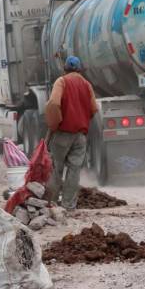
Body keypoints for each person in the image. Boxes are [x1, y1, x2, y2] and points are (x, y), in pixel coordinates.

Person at [44, 56, 98, 210]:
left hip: (62, 133)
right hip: (80, 136)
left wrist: (55, 124)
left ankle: (53, 204)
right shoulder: (86, 84)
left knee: (56, 169)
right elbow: (94, 109)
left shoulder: (61, 81)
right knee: (74, 171)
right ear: (79, 69)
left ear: (65, 68)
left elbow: (54, 103)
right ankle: (69, 205)